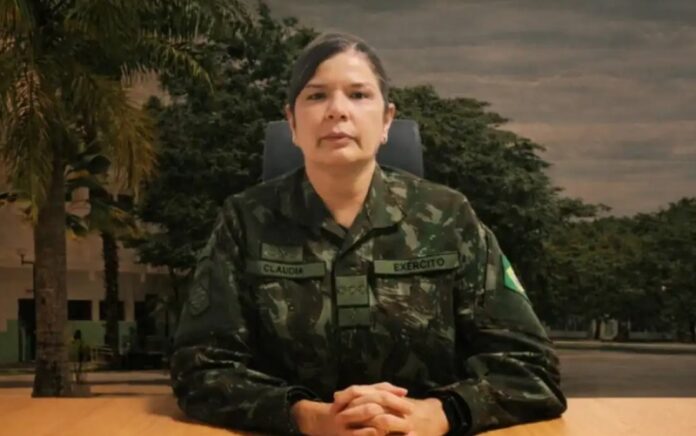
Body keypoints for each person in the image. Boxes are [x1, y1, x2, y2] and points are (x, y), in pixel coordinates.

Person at [170, 32, 567, 435]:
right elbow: (199, 369)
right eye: (316, 96)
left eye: (358, 95)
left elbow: (531, 368)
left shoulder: (448, 217)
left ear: (387, 120)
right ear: (291, 122)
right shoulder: (245, 220)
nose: (337, 111)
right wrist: (307, 417)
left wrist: (440, 414)